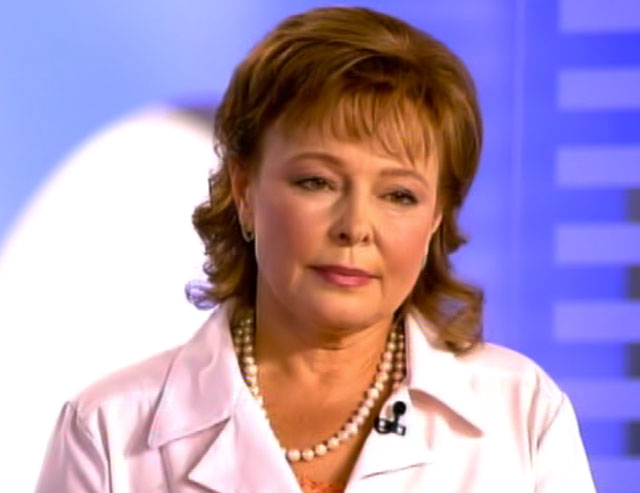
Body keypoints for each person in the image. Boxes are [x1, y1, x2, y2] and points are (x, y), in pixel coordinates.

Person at [35, 6, 596, 492]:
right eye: (317, 182)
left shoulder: (522, 413)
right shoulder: (109, 430)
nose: (355, 227)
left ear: (435, 219)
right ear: (244, 189)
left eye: (398, 195)